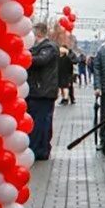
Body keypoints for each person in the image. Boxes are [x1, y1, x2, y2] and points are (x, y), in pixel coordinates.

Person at [26, 24, 59, 160]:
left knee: (40, 122)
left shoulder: (48, 47)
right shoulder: (39, 47)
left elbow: (41, 60)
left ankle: (40, 149)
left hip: (43, 91)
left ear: (38, 34)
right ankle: (40, 148)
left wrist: (24, 57)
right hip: (40, 90)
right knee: (40, 121)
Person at [57, 40, 76, 105]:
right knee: (62, 88)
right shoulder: (59, 58)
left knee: (65, 87)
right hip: (61, 74)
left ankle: (66, 99)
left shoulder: (67, 59)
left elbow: (71, 67)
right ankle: (64, 98)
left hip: (65, 75)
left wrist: (70, 75)